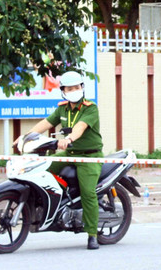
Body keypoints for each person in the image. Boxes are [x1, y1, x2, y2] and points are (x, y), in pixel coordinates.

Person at [14, 70, 103, 251]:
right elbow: (46, 123)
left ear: (82, 88)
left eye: (77, 87)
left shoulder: (90, 108)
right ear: (63, 90)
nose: (74, 91)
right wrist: (25, 137)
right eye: (69, 88)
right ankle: (59, 203)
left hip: (89, 156)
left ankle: (92, 234)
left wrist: (69, 139)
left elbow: (80, 127)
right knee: (41, 168)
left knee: (88, 193)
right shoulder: (62, 108)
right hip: (69, 153)